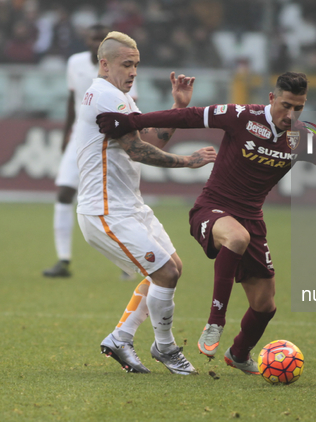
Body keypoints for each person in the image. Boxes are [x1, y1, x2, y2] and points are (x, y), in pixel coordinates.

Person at [96, 72, 316, 375]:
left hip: (252, 219)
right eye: (285, 105)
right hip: (211, 209)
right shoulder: (242, 116)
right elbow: (191, 116)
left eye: (298, 108)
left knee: (265, 305)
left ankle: (238, 353)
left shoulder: (303, 137)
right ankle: (215, 322)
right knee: (236, 238)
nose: (290, 114)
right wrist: (129, 122)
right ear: (271, 98)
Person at [77, 31, 216, 374]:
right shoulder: (107, 96)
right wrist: (189, 161)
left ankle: (120, 338)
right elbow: (137, 151)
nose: (134, 71)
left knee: (172, 269)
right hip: (106, 210)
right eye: (127, 64)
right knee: (164, 273)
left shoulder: (119, 95)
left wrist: (178, 108)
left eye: (137, 64)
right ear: (104, 64)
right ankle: (165, 347)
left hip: (130, 206)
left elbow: (150, 139)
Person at [42, 24, 138, 280]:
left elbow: (131, 103)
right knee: (64, 192)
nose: (95, 42)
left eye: (100, 38)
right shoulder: (75, 63)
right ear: (86, 40)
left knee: (117, 199)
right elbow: (71, 99)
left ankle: (127, 261)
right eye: (92, 38)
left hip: (109, 140)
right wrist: (66, 133)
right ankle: (63, 260)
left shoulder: (120, 66)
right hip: (79, 137)